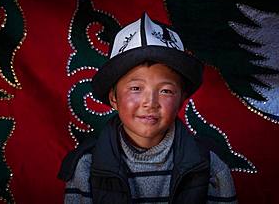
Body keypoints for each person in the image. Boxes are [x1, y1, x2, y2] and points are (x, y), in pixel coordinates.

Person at [58, 13, 237, 204]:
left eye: (166, 91)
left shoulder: (209, 165)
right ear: (114, 98)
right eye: (135, 88)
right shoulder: (86, 167)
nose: (150, 102)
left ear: (182, 98)